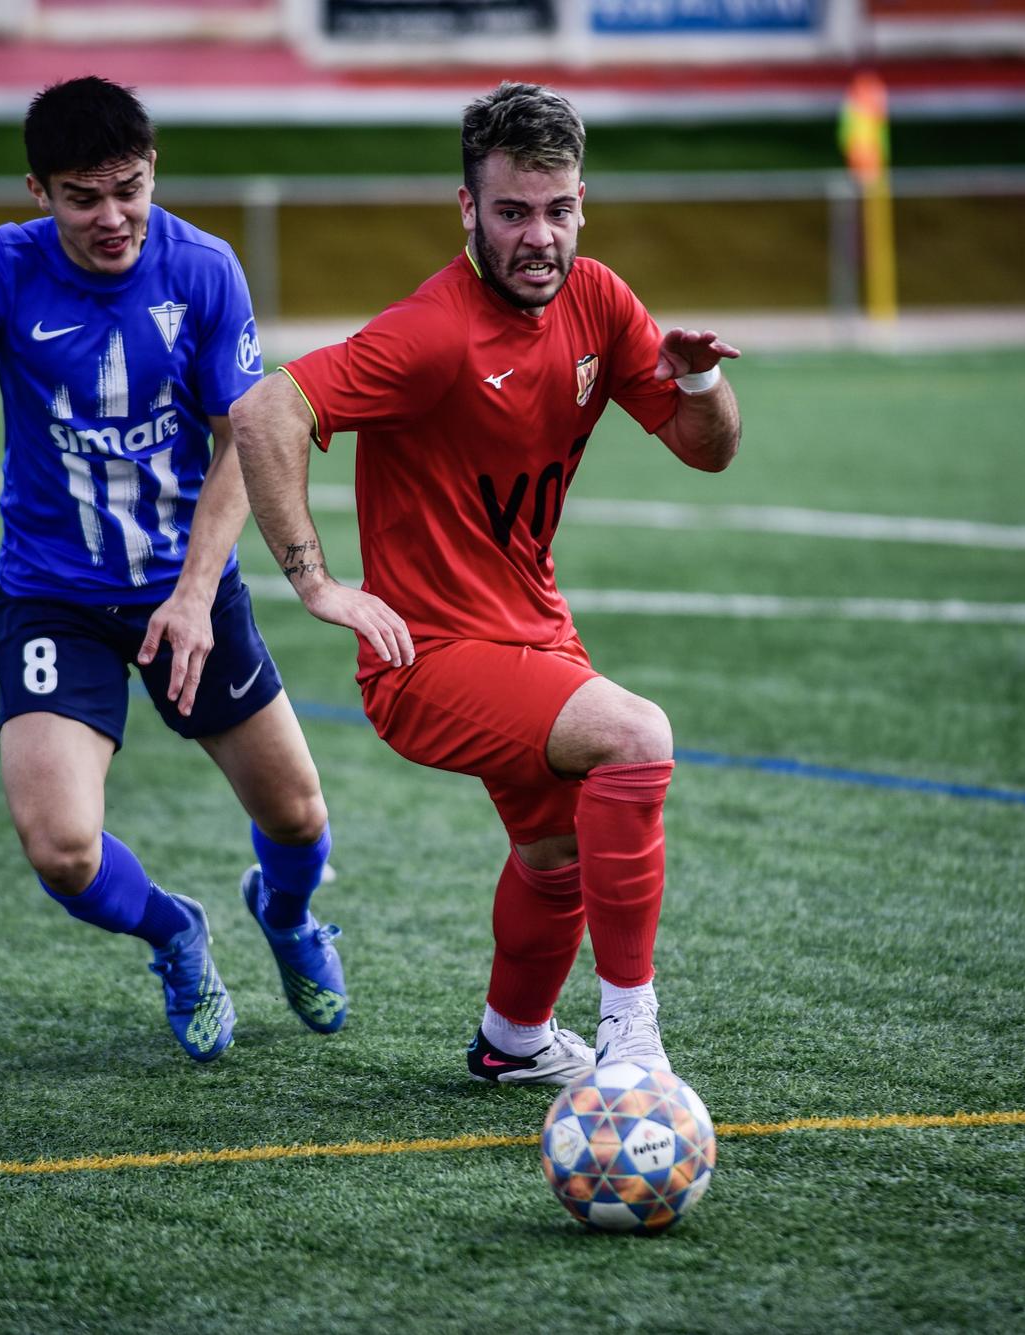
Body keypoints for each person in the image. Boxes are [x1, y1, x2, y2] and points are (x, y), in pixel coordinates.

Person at [0, 77, 342, 1063]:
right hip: (52, 598)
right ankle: (174, 931)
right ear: (38, 191)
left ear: (152, 170)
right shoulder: (2, 268)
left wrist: (193, 594)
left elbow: (241, 444)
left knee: (297, 817)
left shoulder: (204, 270)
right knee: (61, 848)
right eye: (83, 196)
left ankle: (290, 919)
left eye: (127, 188)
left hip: (188, 589)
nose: (112, 216)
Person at [232, 81, 740, 1083]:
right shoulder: (430, 334)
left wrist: (695, 380)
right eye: (510, 211)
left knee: (559, 863)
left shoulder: (597, 298)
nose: (537, 237)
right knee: (635, 738)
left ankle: (513, 1043)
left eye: (556, 211)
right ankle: (631, 1039)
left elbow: (705, 450)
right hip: (427, 659)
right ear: (467, 208)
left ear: (581, 203)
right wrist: (318, 583)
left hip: (532, 636)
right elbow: (263, 412)